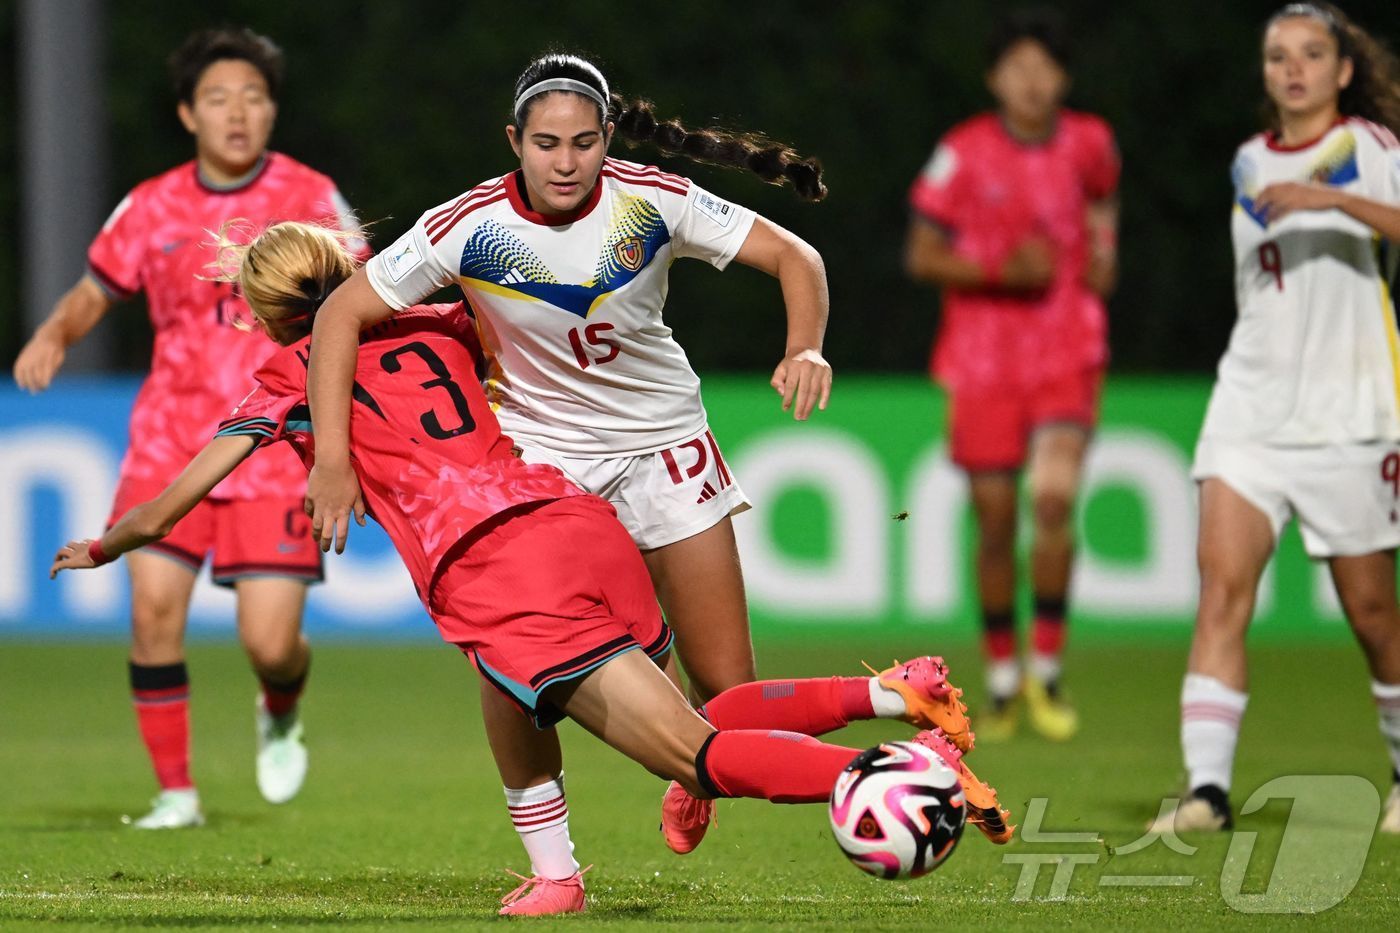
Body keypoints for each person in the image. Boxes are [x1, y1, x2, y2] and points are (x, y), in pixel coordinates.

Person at [48, 221, 1014, 915]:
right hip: (576, 522)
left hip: (496, 571)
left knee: (694, 755)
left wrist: (108, 543)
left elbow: (180, 496)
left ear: (265, 315)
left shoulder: (282, 374)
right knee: (621, 708)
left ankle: (895, 772)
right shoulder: (435, 322)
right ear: (351, 268)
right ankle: (891, 696)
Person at [301, 51, 840, 881]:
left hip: (664, 445)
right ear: (514, 139)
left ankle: (696, 772)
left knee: (726, 688)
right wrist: (331, 462)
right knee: (512, 663)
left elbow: (797, 257)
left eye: (584, 143)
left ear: (607, 138)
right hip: (543, 462)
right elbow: (341, 312)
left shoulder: (654, 200)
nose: (565, 161)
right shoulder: (466, 225)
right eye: (546, 143)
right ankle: (554, 866)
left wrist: (805, 345)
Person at [12, 28, 362, 828]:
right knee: (153, 612)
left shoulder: (312, 195)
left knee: (271, 642)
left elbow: (362, 297)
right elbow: (94, 290)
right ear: (186, 113)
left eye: (253, 96)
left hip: (273, 440)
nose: (237, 112)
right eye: (217, 98)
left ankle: (280, 701)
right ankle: (176, 792)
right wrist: (54, 334)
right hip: (172, 436)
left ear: (272, 110)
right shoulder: (153, 204)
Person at [1149, 2, 1400, 834]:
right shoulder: (1252, 159)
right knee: (1222, 588)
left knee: (1371, 615)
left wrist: (1332, 203)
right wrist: (1289, 191)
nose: (1292, 68)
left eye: (1310, 54)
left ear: (1344, 69)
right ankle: (1206, 793)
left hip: (1350, 412)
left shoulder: (1370, 149)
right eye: (1276, 56)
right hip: (1249, 406)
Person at [903, 9, 1120, 742]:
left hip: (1067, 348)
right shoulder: (960, 154)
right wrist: (998, 268)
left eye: (1045, 67)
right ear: (996, 77)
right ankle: (1000, 682)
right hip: (983, 358)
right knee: (997, 518)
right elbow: (922, 254)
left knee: (1054, 498)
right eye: (1017, 66)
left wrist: (1104, 249)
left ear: (1063, 77)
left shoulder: (1090, 142)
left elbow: (1104, 198)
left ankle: (1048, 672)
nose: (1032, 81)